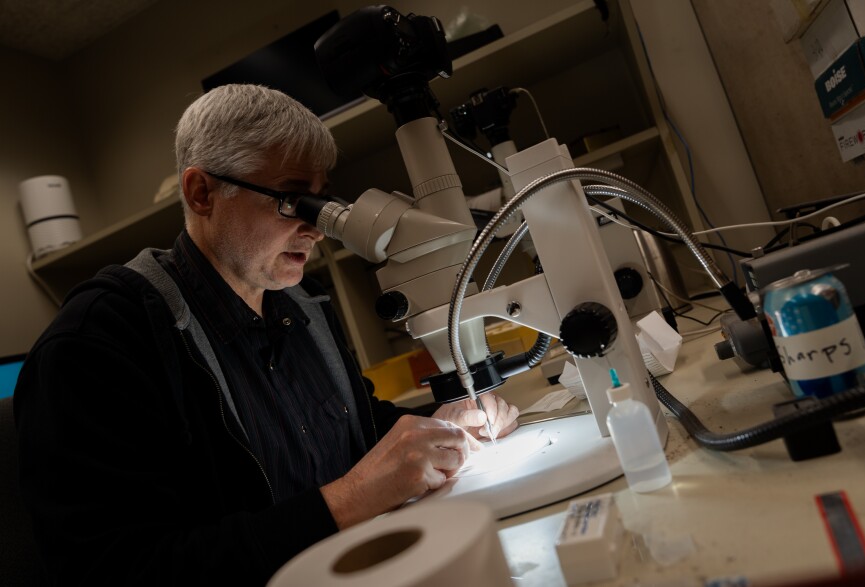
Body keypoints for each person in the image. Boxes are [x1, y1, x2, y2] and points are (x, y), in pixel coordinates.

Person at [14, 84, 519, 585]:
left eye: (322, 202)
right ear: (202, 192)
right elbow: (122, 571)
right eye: (292, 200)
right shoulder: (101, 341)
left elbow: (357, 429)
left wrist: (442, 425)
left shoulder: (302, 305)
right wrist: (351, 499)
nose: (317, 229)